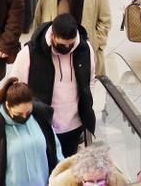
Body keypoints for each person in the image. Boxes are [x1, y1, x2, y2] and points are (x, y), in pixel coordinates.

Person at [8, 14, 96, 158]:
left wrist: (86, 105)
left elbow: (90, 80)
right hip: (41, 127)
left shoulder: (85, 50)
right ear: (53, 36)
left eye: (71, 45)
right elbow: (15, 88)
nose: (67, 48)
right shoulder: (29, 53)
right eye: (63, 45)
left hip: (74, 126)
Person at [0, 78, 62, 184]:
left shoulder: (40, 116)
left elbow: (55, 146)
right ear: (7, 105)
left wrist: (63, 168)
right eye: (19, 114)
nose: (25, 117)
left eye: (28, 112)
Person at [48, 139, 128, 186]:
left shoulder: (118, 182)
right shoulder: (64, 183)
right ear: (80, 178)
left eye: (100, 182)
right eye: (90, 183)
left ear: (107, 177)